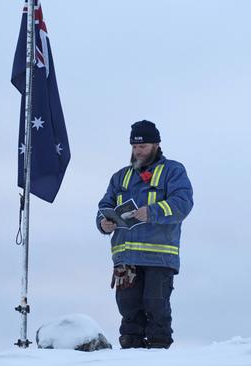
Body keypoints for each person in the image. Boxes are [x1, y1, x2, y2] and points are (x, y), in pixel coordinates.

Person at [96, 120, 193, 349]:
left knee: (156, 308)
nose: (138, 151)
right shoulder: (120, 177)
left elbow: (183, 203)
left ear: (156, 145)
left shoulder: (173, 171)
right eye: (134, 147)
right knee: (129, 312)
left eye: (143, 146)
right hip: (126, 258)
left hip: (159, 257)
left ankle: (159, 356)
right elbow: (104, 205)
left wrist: (152, 212)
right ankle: (130, 354)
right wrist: (103, 223)